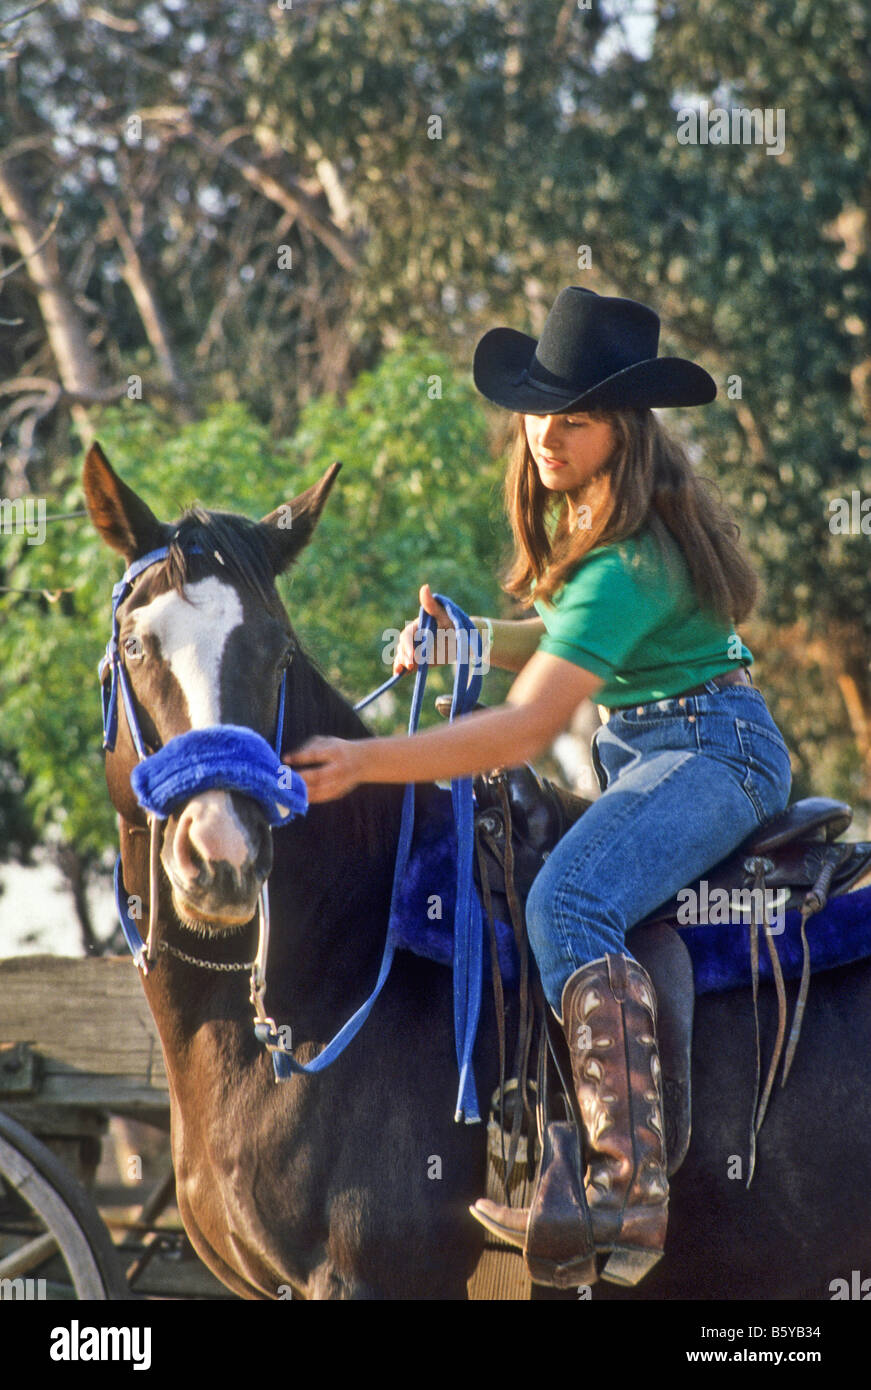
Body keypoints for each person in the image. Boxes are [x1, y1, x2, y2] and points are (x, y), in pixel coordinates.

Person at [284, 286, 793, 1287]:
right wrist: (472, 637)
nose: (547, 435)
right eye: (539, 411)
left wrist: (361, 760)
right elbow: (566, 648)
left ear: (622, 430)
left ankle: (627, 1189)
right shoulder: (606, 521)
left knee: (569, 899)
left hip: (711, 752)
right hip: (658, 748)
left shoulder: (627, 558)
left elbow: (526, 726)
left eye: (577, 419)